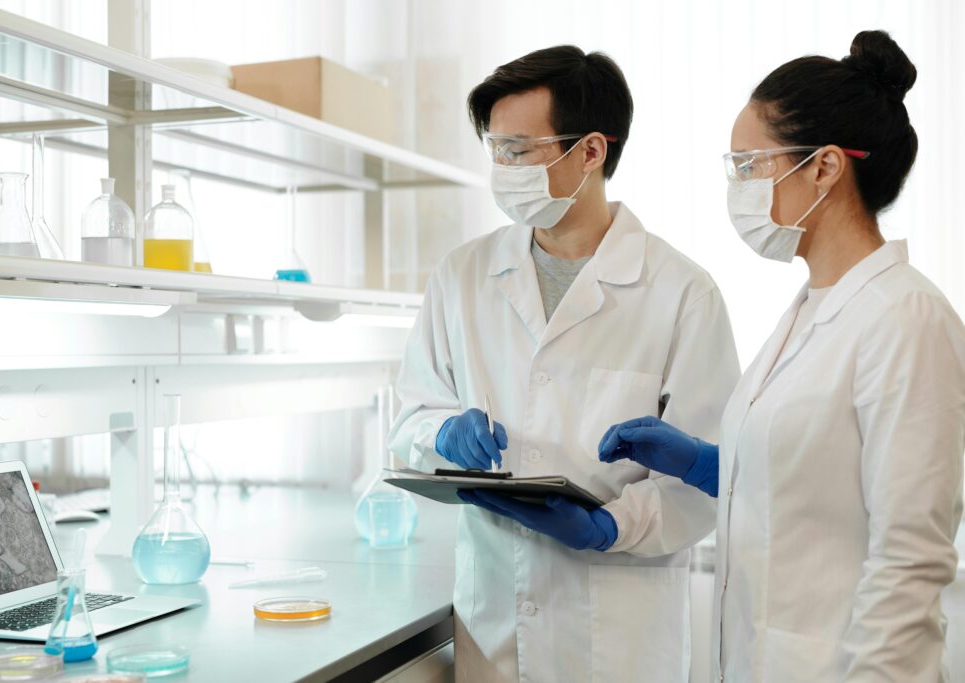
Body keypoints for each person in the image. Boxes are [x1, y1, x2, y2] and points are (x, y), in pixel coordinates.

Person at [599, 31, 965, 681]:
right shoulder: (811, 310)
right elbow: (818, 480)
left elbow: (909, 560)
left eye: (749, 166)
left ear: (825, 166)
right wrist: (713, 464)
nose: (736, 187)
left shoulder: (906, 318)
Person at [388, 45, 739, 682]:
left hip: (618, 636)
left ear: (592, 151)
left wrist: (610, 526)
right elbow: (411, 413)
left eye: (520, 150)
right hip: (493, 623)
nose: (502, 167)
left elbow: (709, 478)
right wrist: (439, 433)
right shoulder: (462, 275)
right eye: (495, 149)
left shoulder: (682, 293)